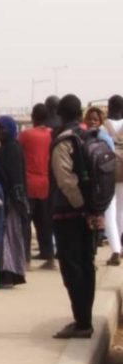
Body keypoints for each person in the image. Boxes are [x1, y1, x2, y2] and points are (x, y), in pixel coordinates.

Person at [50, 94, 104, 339]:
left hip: (69, 215)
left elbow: (65, 181)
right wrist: (93, 210)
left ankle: (82, 322)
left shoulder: (64, 141)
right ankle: (85, 318)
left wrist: (80, 208)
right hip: (90, 213)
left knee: (72, 268)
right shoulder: (90, 136)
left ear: (60, 114)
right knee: (86, 265)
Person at [0, 115, 29, 287]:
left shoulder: (12, 149)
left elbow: (16, 179)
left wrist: (16, 201)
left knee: (9, 239)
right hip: (5, 199)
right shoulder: (5, 148)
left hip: (10, 202)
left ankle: (8, 274)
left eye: (2, 128)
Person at [18, 104, 55, 269]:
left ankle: (25, 259)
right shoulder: (51, 135)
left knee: (26, 222)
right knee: (44, 222)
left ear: (33, 117)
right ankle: (49, 256)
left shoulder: (25, 135)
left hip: (29, 183)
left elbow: (17, 154)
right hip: (46, 183)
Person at [85, 106, 119, 264]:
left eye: (95, 120)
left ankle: (115, 251)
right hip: (100, 184)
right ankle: (116, 250)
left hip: (103, 184)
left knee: (108, 217)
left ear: (100, 122)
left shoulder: (103, 137)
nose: (92, 122)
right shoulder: (94, 137)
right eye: (90, 119)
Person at [103, 95, 123, 262]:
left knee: (109, 210)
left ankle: (115, 249)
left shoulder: (104, 127)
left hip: (109, 170)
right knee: (122, 210)